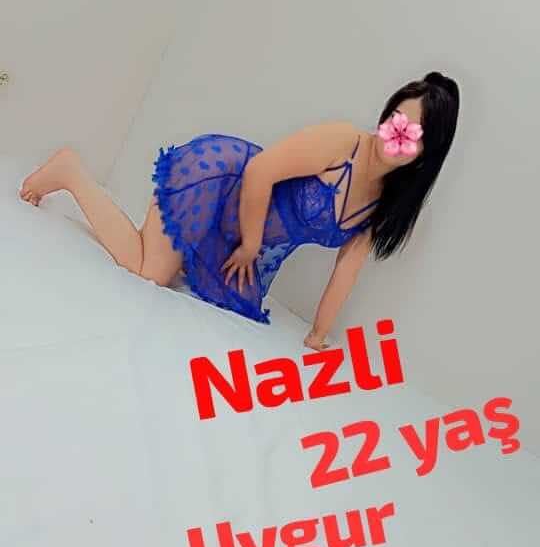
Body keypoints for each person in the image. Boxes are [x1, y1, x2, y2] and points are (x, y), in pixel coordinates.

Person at [18, 71, 459, 351]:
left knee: (198, 289)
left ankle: (180, 245)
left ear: (426, 153)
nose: (394, 136)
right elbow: (261, 171)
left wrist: (318, 335)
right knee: (149, 272)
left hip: (240, 236)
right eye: (395, 119)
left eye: (411, 134)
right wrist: (250, 245)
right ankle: (71, 172)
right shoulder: (343, 142)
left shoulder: (384, 203)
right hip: (221, 183)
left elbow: (347, 268)